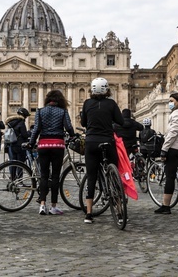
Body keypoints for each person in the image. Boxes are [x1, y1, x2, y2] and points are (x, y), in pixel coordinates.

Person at [80, 78, 123, 223]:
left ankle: (89, 214)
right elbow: (121, 121)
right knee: (114, 174)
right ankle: (119, 210)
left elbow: (83, 123)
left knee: (91, 177)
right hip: (107, 141)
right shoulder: (111, 103)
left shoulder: (87, 103)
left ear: (92, 90)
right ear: (107, 90)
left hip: (91, 142)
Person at [29, 90, 75, 215]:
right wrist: (73, 136)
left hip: (43, 145)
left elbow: (36, 129)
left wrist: (31, 143)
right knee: (55, 176)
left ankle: (42, 205)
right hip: (58, 145)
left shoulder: (40, 111)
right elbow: (69, 127)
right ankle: (53, 206)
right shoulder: (63, 111)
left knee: (44, 175)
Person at [154, 92, 178, 214]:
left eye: (171, 101)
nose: (169, 103)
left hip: (174, 149)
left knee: (170, 177)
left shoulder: (177, 113)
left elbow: (173, 133)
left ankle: (166, 206)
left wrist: (164, 149)